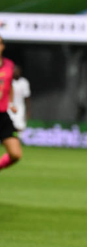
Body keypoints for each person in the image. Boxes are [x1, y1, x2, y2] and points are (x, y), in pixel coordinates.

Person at [0, 35, 22, 172]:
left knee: (15, 154)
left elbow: (10, 85)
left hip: (2, 116)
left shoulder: (9, 65)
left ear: (3, 46)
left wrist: (11, 102)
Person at [7, 65, 31, 134]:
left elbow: (27, 97)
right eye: (14, 71)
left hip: (20, 107)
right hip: (9, 107)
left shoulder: (24, 82)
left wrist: (28, 111)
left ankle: (19, 139)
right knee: (8, 125)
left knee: (20, 126)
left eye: (17, 71)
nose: (16, 72)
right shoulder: (9, 81)